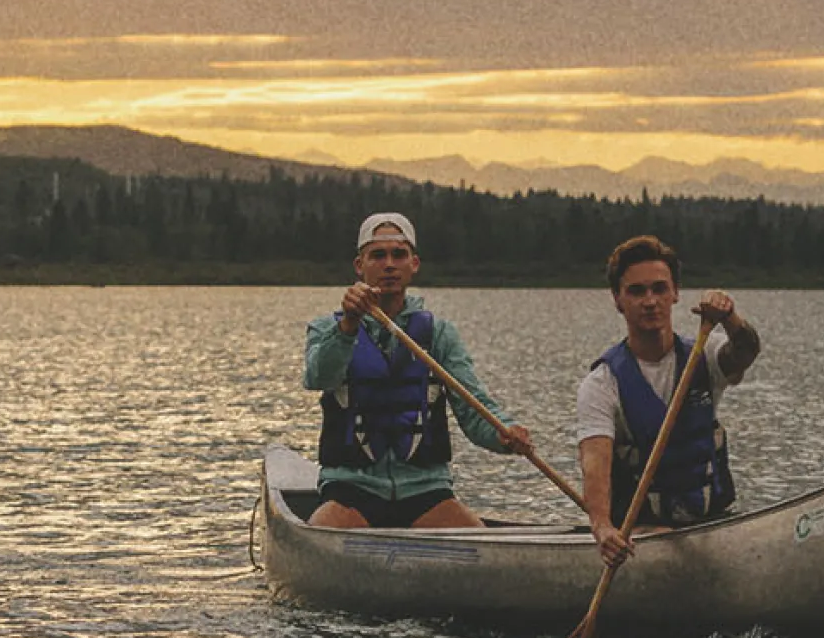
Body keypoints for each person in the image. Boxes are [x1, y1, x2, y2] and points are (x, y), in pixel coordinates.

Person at [303, 212, 534, 528]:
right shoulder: (328, 329)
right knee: (325, 526)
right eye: (378, 255)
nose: (389, 265)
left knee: (475, 536)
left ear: (414, 264)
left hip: (426, 490)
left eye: (399, 255)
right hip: (350, 490)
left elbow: (473, 408)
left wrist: (505, 434)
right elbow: (319, 376)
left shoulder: (439, 335)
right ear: (360, 266)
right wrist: (348, 325)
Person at [575, 235, 761, 567]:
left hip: (711, 523)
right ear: (618, 300)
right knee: (651, 531)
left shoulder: (706, 353)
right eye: (636, 291)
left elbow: (746, 351)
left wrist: (729, 317)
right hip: (642, 533)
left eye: (660, 289)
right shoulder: (602, 384)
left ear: (675, 293)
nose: (650, 301)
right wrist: (602, 528)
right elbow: (595, 466)